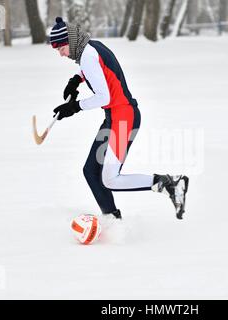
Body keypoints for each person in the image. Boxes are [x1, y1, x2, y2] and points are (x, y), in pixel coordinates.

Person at [49, 17, 189, 220]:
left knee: (110, 179)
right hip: (114, 118)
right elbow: (99, 68)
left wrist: (75, 107)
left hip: (123, 118)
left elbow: (103, 97)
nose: (60, 54)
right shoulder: (91, 47)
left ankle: (170, 183)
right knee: (91, 171)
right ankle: (112, 218)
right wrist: (77, 79)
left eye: (61, 47)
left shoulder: (87, 56)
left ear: (70, 42)